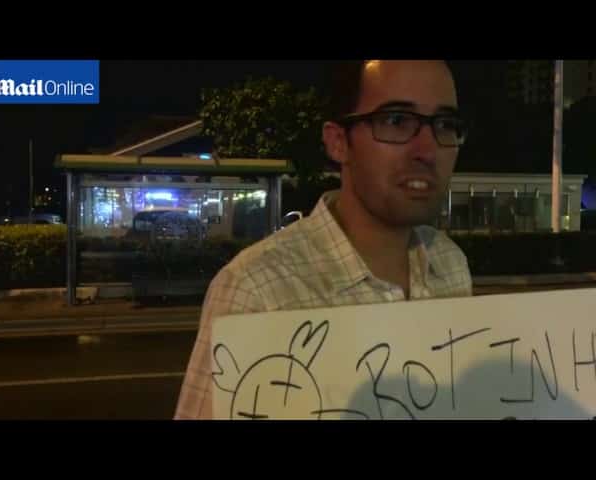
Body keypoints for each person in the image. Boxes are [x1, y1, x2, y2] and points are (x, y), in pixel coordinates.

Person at [175, 60, 473, 419]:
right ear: (338, 143)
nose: (427, 150)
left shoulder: (451, 264)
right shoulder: (257, 290)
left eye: (445, 125)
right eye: (396, 121)